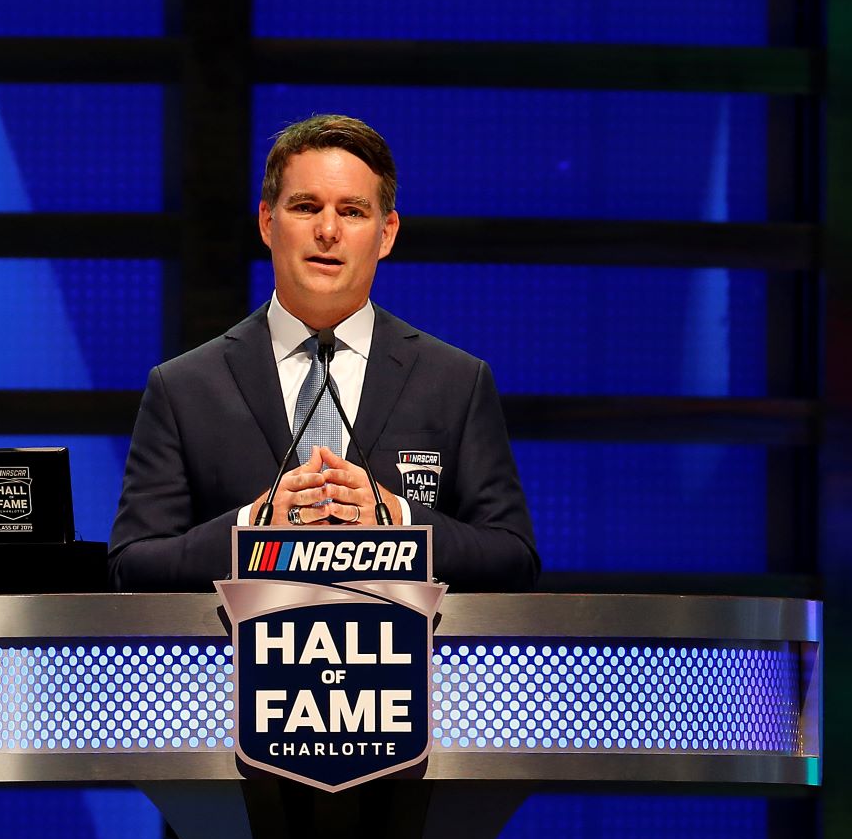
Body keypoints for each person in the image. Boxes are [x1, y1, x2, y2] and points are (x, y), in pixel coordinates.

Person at [109, 114, 538, 592]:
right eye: (306, 206)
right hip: (235, 666)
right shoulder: (183, 388)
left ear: (387, 233)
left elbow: (513, 558)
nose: (328, 230)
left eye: (353, 211)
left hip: (404, 664)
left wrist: (397, 518)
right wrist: (255, 524)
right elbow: (133, 566)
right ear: (268, 222)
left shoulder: (456, 382)